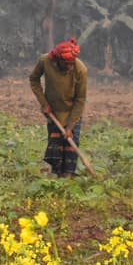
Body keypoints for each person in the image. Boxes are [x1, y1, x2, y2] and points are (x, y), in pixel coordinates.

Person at [29, 37, 87, 178]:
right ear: (57, 60)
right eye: (66, 64)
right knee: (55, 146)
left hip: (72, 112)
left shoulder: (81, 70)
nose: (70, 67)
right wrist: (44, 103)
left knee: (71, 147)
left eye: (71, 63)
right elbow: (34, 79)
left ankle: (68, 176)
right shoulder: (45, 61)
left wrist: (70, 126)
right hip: (53, 111)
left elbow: (80, 100)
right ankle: (56, 176)